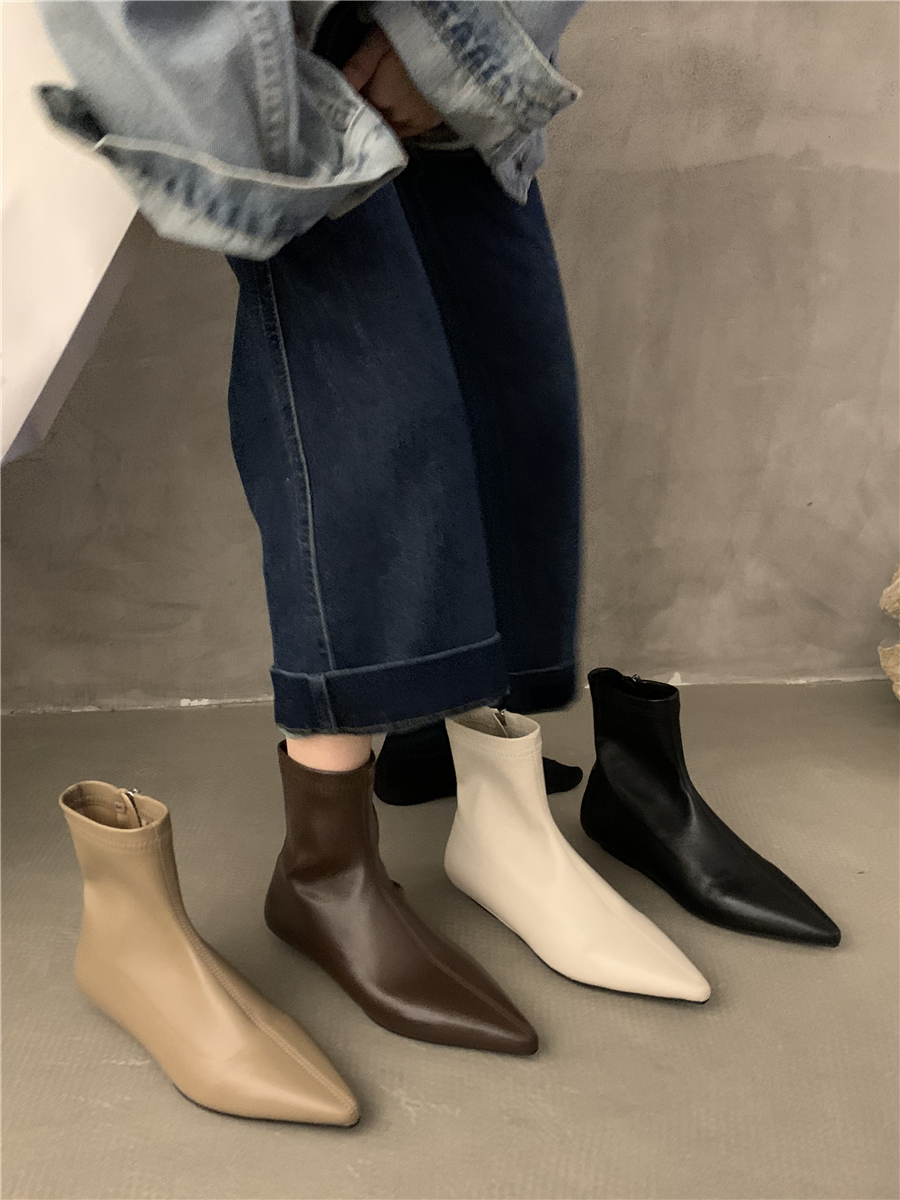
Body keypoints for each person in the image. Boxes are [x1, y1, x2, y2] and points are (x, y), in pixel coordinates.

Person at [41, 3, 835, 1071]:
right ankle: (326, 867)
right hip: (267, 35)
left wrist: (453, 52)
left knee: (512, 380)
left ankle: (488, 797)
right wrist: (285, 112)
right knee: (373, 402)